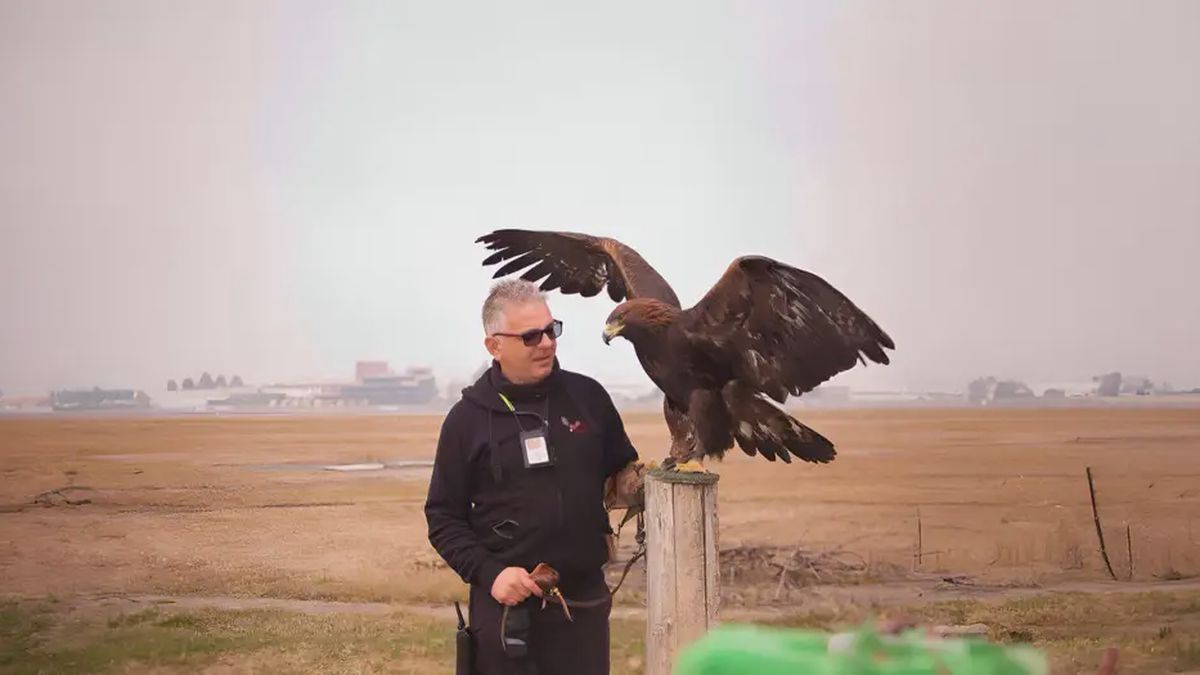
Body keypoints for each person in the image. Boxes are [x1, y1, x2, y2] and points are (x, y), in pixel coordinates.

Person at [425, 278, 641, 675]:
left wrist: (646, 486)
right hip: (506, 609)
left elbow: (623, 474)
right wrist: (490, 575)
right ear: (494, 345)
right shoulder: (467, 420)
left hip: (582, 607)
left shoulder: (588, 397)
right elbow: (443, 518)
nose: (545, 343)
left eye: (550, 330)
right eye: (529, 336)